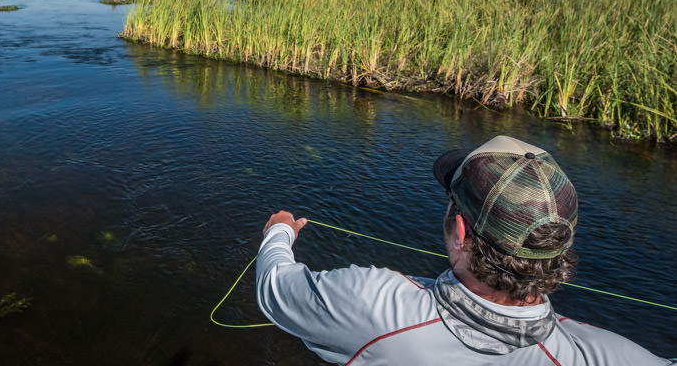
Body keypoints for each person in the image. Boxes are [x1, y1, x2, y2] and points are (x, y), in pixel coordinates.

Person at [256, 135, 675, 365]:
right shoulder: (610, 355)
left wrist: (279, 233)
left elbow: (276, 288)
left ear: (460, 231)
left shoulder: (372, 305)